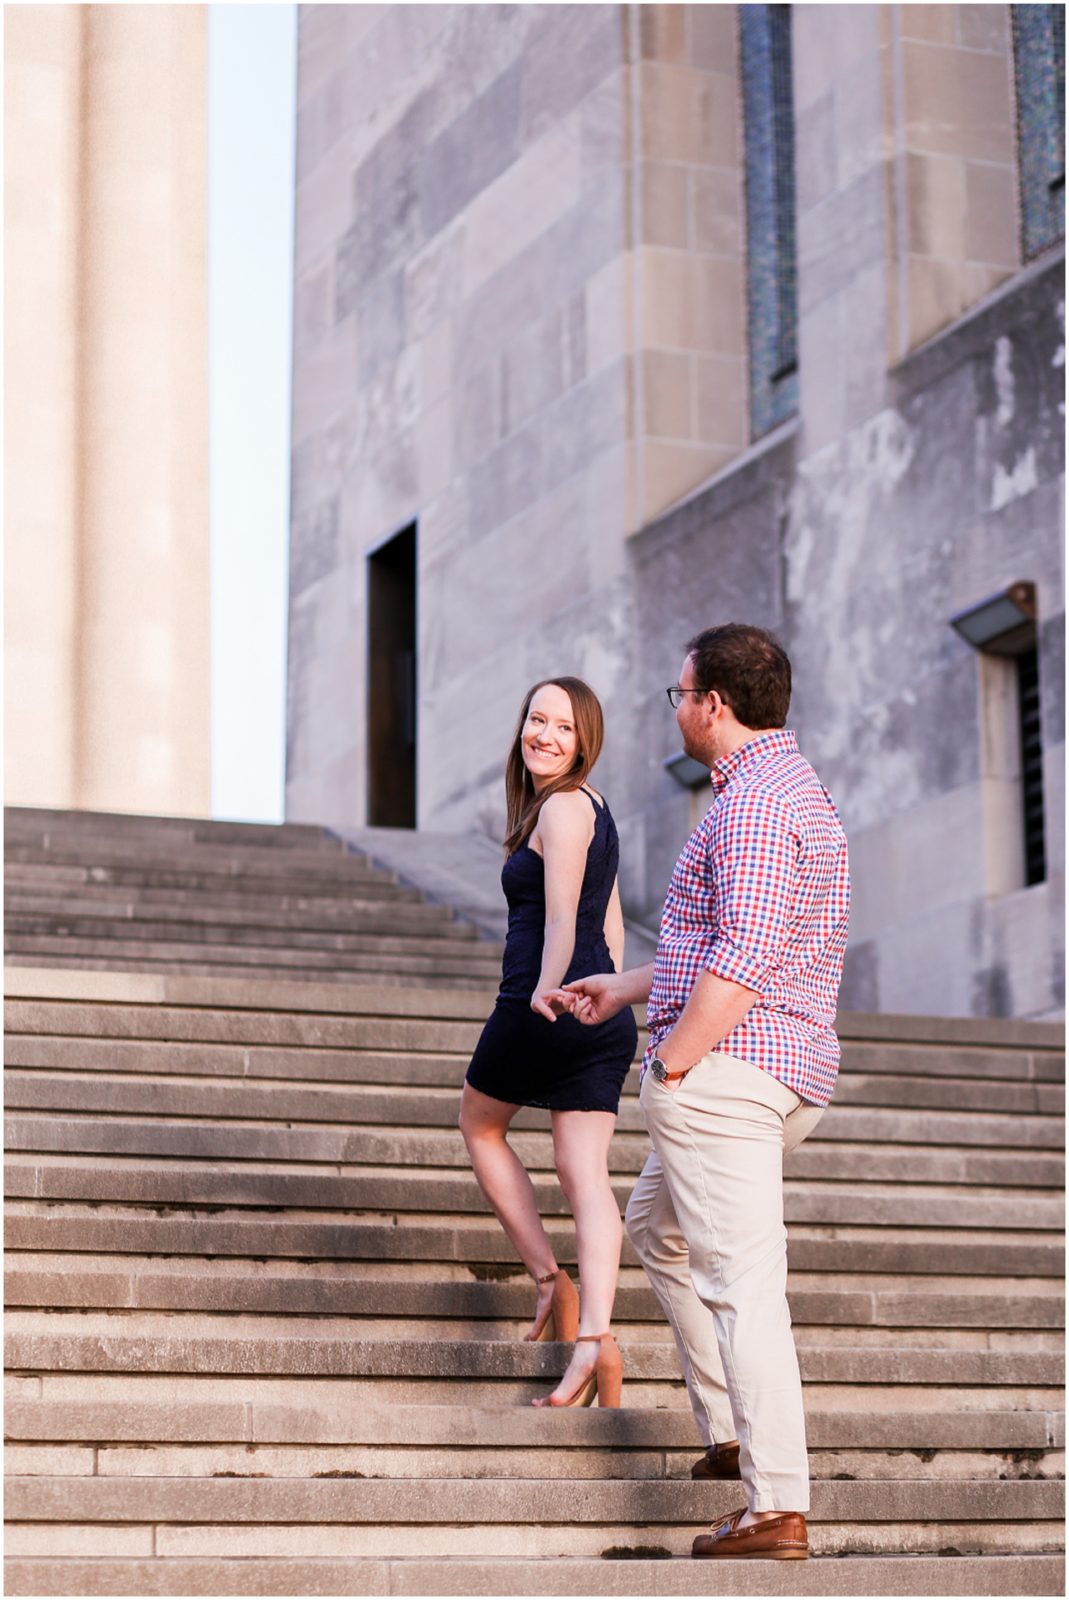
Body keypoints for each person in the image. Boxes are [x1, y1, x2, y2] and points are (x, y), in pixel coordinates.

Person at [562, 624, 850, 1560]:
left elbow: (746, 956)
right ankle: (731, 1433)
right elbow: (719, 942)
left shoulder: (759, 807)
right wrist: (629, 985)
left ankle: (775, 1508)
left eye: (678, 694)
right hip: (759, 1064)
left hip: (730, 1072)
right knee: (657, 1229)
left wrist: (674, 1063)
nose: (676, 707)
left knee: (740, 1287)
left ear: (713, 705)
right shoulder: (776, 792)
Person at [459, 676, 638, 1409]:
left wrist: (543, 990)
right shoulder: (593, 807)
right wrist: (617, 993)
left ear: (583, 739)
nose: (544, 736)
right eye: (536, 719)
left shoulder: (563, 807)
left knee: (479, 1125)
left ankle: (547, 1282)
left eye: (562, 727)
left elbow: (564, 920)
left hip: (546, 1000)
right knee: (583, 1175)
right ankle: (596, 1344)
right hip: (600, 1008)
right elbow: (614, 922)